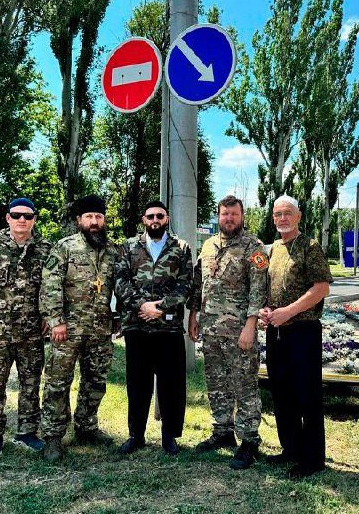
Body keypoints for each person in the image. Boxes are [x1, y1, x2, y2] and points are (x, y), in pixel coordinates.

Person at [187, 195, 268, 470]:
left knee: (244, 384)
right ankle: (222, 431)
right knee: (216, 382)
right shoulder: (208, 245)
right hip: (211, 329)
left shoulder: (254, 247)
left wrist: (251, 325)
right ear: (218, 216)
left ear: (242, 216)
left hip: (239, 332)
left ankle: (249, 440)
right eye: (225, 214)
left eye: (234, 214)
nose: (229, 218)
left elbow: (259, 290)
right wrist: (194, 315)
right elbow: (199, 284)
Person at [39, 195, 120, 462]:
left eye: (98, 216)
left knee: (95, 380)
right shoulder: (65, 247)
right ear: (79, 220)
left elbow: (120, 287)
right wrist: (56, 321)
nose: (94, 222)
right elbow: (50, 285)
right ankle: (52, 436)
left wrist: (118, 317)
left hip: (100, 329)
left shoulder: (112, 250)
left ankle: (87, 426)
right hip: (68, 329)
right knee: (57, 382)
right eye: (89, 217)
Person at [0, 197, 53, 458]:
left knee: (31, 382)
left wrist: (48, 316)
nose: (22, 220)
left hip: (32, 330)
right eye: (16, 215)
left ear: (34, 220)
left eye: (27, 216)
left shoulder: (45, 249)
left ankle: (27, 431)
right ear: (8, 218)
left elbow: (50, 287)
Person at [260, 195, 332, 479]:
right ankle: (290, 448)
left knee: (306, 395)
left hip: (303, 332)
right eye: (278, 214)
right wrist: (267, 309)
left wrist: (288, 312)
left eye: (287, 213)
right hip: (276, 332)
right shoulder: (273, 249)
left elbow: (321, 288)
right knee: (282, 393)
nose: (282, 219)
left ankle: (312, 459)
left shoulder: (310, 247)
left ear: (299, 216)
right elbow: (269, 287)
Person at [114, 200, 193, 456]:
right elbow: (120, 282)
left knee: (171, 385)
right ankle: (136, 435)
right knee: (138, 384)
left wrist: (161, 307)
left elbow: (186, 284)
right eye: (151, 216)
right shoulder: (128, 247)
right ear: (144, 220)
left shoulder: (181, 248)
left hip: (168, 328)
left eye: (160, 216)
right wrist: (142, 306)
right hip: (137, 326)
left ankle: (169, 436)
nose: (155, 220)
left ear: (167, 219)